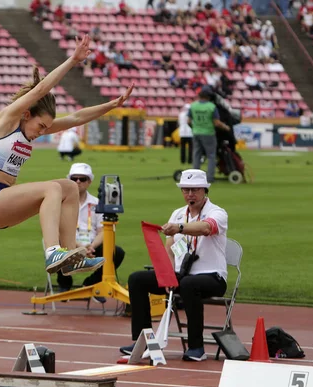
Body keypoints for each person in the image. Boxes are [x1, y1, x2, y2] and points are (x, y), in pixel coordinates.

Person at [0, 35, 134, 275]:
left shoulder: (29, 130)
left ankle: (69, 255)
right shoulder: (7, 121)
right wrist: (73, 60)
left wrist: (110, 106)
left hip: (4, 201)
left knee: (68, 187)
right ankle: (52, 253)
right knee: (52, 189)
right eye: (41, 126)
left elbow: (75, 118)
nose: (42, 133)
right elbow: (42, 89)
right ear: (27, 114)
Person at [119, 169, 228, 362]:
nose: (190, 194)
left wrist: (179, 228)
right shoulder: (178, 214)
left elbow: (205, 228)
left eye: (194, 190)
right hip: (182, 274)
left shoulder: (217, 213)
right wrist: (167, 274)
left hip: (212, 276)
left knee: (188, 285)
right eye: (186, 190)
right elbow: (169, 247)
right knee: (137, 279)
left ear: (204, 190)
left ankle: (196, 347)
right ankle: (141, 341)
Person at [56, 163, 126, 303]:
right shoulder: (61, 203)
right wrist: (80, 246)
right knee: (57, 246)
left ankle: (92, 284)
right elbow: (59, 230)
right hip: (70, 243)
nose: (78, 182)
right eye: (74, 178)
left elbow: (103, 231)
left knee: (117, 252)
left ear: (89, 181)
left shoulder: (97, 203)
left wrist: (91, 246)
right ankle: (64, 284)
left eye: (82, 179)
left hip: (92, 245)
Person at [188, 88, 231, 183]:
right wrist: (226, 127)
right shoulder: (211, 106)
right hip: (208, 133)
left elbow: (188, 121)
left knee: (196, 155)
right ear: (208, 97)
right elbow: (216, 122)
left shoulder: (193, 106)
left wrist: (194, 127)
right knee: (211, 155)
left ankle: (195, 178)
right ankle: (210, 177)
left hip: (196, 132)